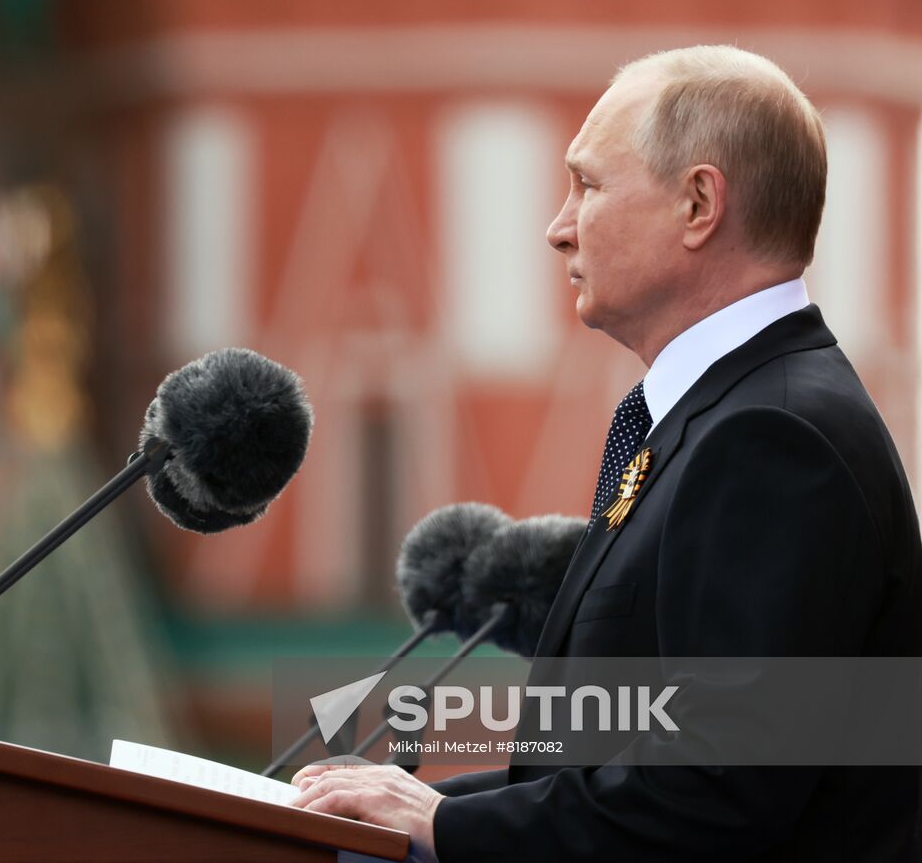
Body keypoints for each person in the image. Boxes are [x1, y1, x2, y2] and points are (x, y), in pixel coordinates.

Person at [290, 45, 922, 861]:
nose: (557, 228)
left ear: (699, 204)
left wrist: (440, 825)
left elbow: (711, 793)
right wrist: (396, 811)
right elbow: (621, 770)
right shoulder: (728, 414)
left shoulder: (772, 438)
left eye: (587, 185)